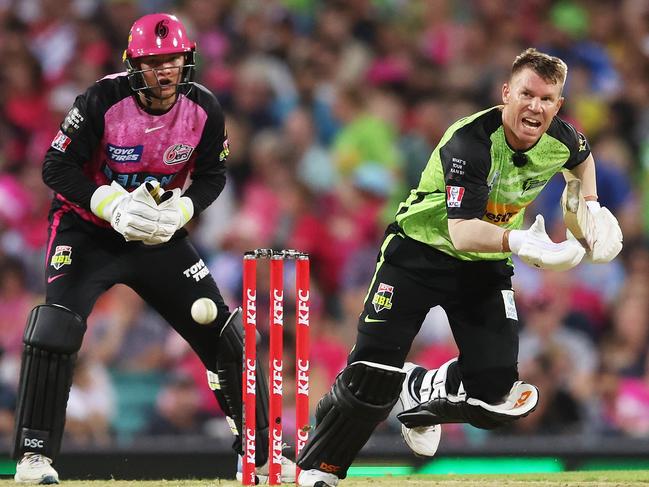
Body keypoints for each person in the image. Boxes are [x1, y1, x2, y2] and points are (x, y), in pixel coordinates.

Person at [296, 48, 623, 487]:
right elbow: (463, 232)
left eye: (547, 99)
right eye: (526, 94)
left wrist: (591, 204)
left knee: (497, 396)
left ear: (558, 106)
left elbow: (583, 158)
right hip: (418, 253)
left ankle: (424, 392)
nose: (535, 107)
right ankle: (321, 470)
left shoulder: (563, 139)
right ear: (507, 93)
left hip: (483, 267)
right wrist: (522, 240)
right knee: (371, 376)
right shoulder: (469, 142)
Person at [12, 13, 293, 484]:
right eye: (154, 62)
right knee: (56, 328)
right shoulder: (101, 99)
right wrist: (108, 202)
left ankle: (259, 454)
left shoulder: (205, 109)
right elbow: (56, 166)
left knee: (226, 336)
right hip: (87, 231)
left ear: (188, 59)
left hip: (157, 234)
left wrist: (182, 211)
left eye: (174, 60)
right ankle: (34, 456)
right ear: (133, 65)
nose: (165, 72)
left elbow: (212, 174)